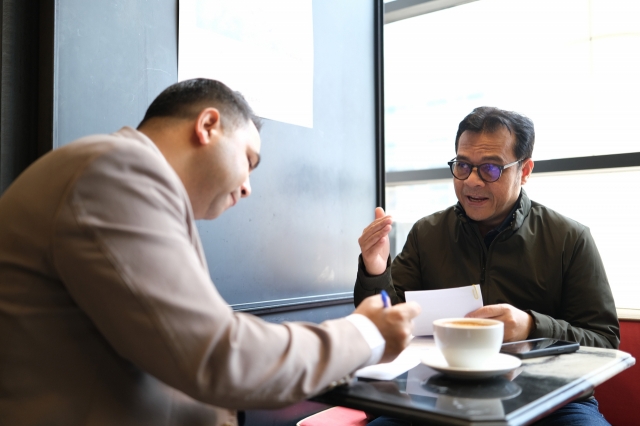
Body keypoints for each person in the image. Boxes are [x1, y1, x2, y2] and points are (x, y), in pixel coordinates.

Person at [0, 78, 420, 426]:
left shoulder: (125, 178)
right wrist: (365, 332)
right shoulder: (117, 171)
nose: (247, 187)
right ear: (207, 125)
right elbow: (218, 355)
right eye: (249, 160)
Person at [355, 107, 618, 425]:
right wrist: (375, 268)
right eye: (462, 166)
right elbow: (383, 324)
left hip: (553, 403)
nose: (472, 181)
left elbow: (603, 342)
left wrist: (533, 327)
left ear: (524, 170)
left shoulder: (569, 238)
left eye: (490, 169)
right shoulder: (427, 233)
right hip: (439, 394)